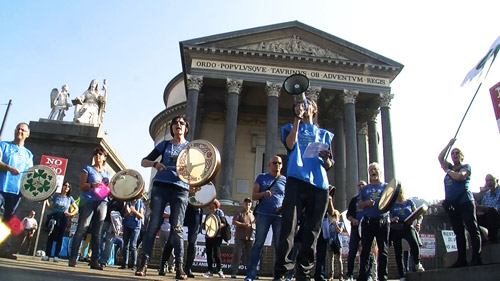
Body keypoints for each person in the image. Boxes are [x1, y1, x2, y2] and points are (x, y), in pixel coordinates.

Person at [273, 97, 334, 281]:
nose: (305, 106)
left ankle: (304, 272)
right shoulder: (290, 128)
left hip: (319, 185)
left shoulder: (324, 134)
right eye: (301, 104)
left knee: (312, 232)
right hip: (296, 180)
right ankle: (282, 272)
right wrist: (297, 119)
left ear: (314, 109)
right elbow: (290, 145)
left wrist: (327, 158)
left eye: (309, 104)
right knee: (288, 227)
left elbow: (330, 164)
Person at [136, 115, 191, 280]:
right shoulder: (164, 144)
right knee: (153, 226)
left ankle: (179, 267)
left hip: (181, 189)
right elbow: (143, 161)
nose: (178, 125)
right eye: (175, 123)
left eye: (181, 123)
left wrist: (194, 181)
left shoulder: (191, 148)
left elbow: (200, 169)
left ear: (186, 128)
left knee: (177, 229)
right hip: (160, 186)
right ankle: (143, 264)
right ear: (172, 128)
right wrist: (155, 164)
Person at [438, 139, 482, 267]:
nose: (454, 155)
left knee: (472, 228)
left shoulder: (465, 167)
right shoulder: (450, 167)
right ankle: (461, 259)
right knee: (458, 231)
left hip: (465, 201)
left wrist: (448, 171)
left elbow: (460, 177)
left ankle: (476, 257)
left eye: (457, 153)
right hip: (453, 205)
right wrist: (448, 145)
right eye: (452, 153)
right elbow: (440, 158)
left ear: (462, 156)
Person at [245, 155, 286, 281]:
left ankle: (278, 275)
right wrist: (264, 193)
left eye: (279, 163)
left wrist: (283, 207)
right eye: (274, 163)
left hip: (279, 216)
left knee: (279, 246)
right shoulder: (261, 178)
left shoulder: (285, 180)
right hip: (264, 214)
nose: (277, 165)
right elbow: (254, 196)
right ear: (270, 165)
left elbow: (289, 197)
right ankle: (251, 274)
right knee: (258, 244)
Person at [68, 147, 110, 270]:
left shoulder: (107, 173)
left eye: (100, 154)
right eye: (96, 154)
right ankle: (73, 257)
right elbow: (82, 186)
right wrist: (93, 185)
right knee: (82, 229)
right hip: (88, 201)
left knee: (97, 233)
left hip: (102, 202)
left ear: (104, 158)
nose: (98, 156)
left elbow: (108, 189)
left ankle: (94, 260)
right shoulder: (87, 169)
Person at [0, 122, 33, 260]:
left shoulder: (28, 154)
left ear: (27, 134)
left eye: (23, 130)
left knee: (8, 221)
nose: (20, 131)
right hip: (1, 187)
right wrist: (9, 168)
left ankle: (4, 249)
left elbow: (30, 174)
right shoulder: (4, 145)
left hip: (16, 192)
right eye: (18, 129)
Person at [357, 162, 390, 281]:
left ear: (379, 172)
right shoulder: (365, 189)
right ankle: (363, 277)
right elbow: (360, 205)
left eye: (375, 169)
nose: (373, 171)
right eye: (370, 170)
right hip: (368, 222)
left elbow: (390, 202)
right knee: (365, 251)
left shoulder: (386, 186)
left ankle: (383, 277)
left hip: (383, 222)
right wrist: (367, 203)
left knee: (383, 251)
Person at [389, 186, 425, 281]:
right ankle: (401, 274)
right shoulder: (391, 204)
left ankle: (417, 263)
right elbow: (387, 216)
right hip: (395, 228)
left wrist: (418, 223)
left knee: (414, 243)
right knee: (398, 251)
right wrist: (392, 219)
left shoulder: (409, 202)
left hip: (407, 225)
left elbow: (419, 214)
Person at [345, 181, 375, 281]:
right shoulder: (354, 200)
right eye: (359, 185)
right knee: (352, 251)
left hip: (367, 228)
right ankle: (349, 274)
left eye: (363, 185)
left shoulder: (370, 200)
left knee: (368, 252)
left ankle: (369, 274)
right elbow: (348, 214)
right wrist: (352, 220)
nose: (361, 187)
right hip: (355, 228)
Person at [42, 181, 78, 262]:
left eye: (68, 186)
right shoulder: (56, 197)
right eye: (65, 185)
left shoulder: (70, 198)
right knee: (50, 236)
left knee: (59, 237)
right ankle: (48, 255)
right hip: (53, 217)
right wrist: (45, 199)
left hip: (62, 218)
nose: (66, 187)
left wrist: (70, 214)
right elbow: (49, 207)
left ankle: (56, 255)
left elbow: (76, 208)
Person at [230, 197, 255, 279]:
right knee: (237, 254)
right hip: (239, 237)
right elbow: (234, 221)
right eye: (246, 203)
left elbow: (255, 225)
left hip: (249, 238)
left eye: (249, 203)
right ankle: (234, 272)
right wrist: (243, 225)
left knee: (250, 256)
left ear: (251, 204)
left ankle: (250, 273)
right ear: (244, 204)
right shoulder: (239, 212)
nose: (247, 204)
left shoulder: (253, 214)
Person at [314, 194, 336, 281]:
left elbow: (332, 213)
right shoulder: (313, 194)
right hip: (312, 224)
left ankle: (320, 275)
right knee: (307, 250)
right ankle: (304, 273)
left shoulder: (327, 198)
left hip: (323, 227)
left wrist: (329, 201)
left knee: (321, 253)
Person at [202, 199, 226, 278]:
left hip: (217, 236)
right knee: (209, 253)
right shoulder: (208, 214)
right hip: (208, 236)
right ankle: (210, 270)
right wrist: (204, 226)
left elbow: (224, 223)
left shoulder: (220, 212)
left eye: (212, 204)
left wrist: (216, 226)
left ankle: (219, 270)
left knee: (216, 254)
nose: (210, 206)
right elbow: (205, 224)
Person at [99, 195, 125, 266]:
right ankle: (96, 258)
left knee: (109, 243)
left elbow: (122, 213)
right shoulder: (104, 196)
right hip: (101, 220)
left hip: (112, 224)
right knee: (98, 240)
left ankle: (103, 261)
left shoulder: (119, 200)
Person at [120, 197, 144, 270]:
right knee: (125, 245)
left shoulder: (140, 203)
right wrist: (127, 212)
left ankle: (134, 264)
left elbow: (141, 216)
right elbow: (123, 215)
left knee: (133, 245)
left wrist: (134, 211)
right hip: (127, 225)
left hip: (135, 227)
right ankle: (125, 263)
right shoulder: (127, 202)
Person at [476, 174, 500, 243]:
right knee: (471, 217)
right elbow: (483, 207)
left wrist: (488, 209)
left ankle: (492, 239)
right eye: (487, 181)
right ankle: (481, 239)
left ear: (497, 181)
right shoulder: (487, 195)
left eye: (491, 180)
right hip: (488, 217)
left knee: (492, 211)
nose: (489, 183)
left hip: (497, 216)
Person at [158, 204, 175, 275]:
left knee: (170, 250)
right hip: (162, 229)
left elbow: (174, 217)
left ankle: (171, 266)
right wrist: (169, 215)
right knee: (163, 249)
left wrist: (167, 215)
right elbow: (162, 214)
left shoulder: (176, 207)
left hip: (170, 230)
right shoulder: (167, 207)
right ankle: (164, 266)